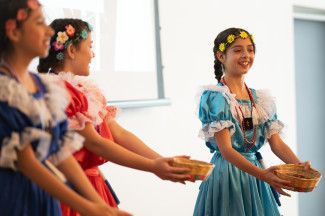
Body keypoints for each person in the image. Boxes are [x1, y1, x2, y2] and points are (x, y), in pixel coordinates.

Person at [37, 18, 192, 215]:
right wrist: (153, 166)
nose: (92, 54)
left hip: (93, 183)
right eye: (90, 46)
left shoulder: (86, 90)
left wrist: (163, 161)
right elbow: (96, 143)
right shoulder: (60, 92)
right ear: (72, 51)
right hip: (70, 186)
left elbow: (117, 133)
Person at [0, 1, 131, 215]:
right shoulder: (6, 91)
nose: (49, 31)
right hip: (17, 198)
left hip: (47, 197)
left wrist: (97, 203)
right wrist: (89, 206)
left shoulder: (45, 87)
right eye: (39, 22)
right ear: (14, 32)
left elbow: (61, 153)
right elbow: (28, 162)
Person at [193, 27, 310, 216]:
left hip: (256, 175)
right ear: (221, 56)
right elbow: (227, 151)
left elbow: (277, 144)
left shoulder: (261, 100)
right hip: (229, 175)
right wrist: (264, 175)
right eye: (238, 50)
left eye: (250, 49)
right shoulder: (216, 98)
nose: (246, 55)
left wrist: (300, 167)